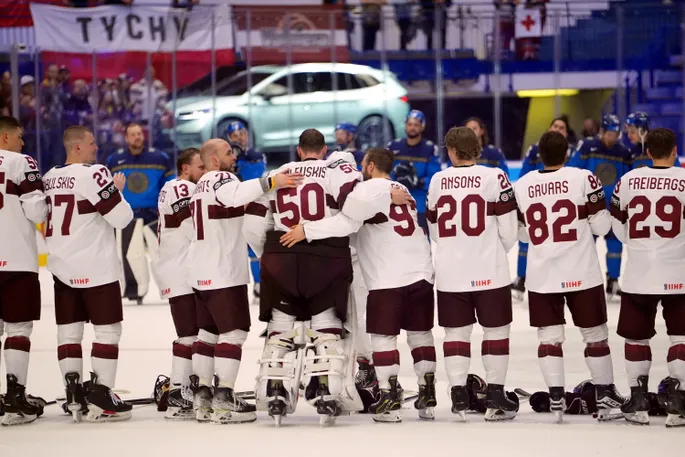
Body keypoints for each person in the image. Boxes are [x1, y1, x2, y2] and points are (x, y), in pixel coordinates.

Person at [279, 147, 437, 423]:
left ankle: (388, 398)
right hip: (421, 269)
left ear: (371, 165)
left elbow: (346, 222)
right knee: (420, 335)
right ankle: (428, 393)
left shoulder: (366, 190)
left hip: (387, 274)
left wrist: (307, 230)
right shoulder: (403, 190)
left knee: (382, 338)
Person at [242, 129, 365, 426]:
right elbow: (354, 214)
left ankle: (274, 391)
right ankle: (326, 390)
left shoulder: (279, 172)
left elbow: (253, 221)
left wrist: (269, 252)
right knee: (326, 331)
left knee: (280, 332)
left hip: (280, 257)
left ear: (299, 150)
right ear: (323, 150)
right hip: (326, 258)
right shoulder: (334, 170)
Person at [185, 139, 300, 424]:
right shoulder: (222, 178)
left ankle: (202, 397)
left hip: (199, 270)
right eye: (227, 153)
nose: (233, 157)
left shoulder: (199, 186)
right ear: (213, 160)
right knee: (232, 335)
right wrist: (271, 181)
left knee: (207, 334)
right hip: (223, 270)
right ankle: (224, 398)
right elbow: (235, 195)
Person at [515, 130, 625, 423]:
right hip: (581, 270)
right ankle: (604, 393)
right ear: (567, 153)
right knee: (595, 337)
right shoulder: (583, 177)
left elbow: (522, 234)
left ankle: (555, 397)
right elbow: (601, 227)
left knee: (549, 338)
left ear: (539, 153)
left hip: (542, 275)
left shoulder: (523, 184)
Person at [426, 127, 518, 421]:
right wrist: (489, 248)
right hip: (490, 269)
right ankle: (494, 395)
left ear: (451, 151)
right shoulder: (495, 177)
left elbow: (435, 232)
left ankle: (458, 394)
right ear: (478, 148)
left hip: (452, 270)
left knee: (455, 334)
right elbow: (509, 231)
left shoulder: (438, 180)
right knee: (496, 332)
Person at [43, 125, 134, 423]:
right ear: (77, 147)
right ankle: (101, 395)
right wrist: (117, 193)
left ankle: (73, 393)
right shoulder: (95, 173)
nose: (96, 147)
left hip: (61, 266)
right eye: (92, 143)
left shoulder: (48, 178)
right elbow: (121, 218)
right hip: (96, 265)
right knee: (107, 331)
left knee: (69, 331)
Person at [609, 127, 685, 427]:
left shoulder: (628, 180)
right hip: (677, 270)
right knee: (680, 336)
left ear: (648, 151)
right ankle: (678, 404)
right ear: (675, 150)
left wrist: (635, 243)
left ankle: (638, 401)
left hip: (639, 271)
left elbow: (616, 222)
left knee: (636, 337)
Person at [0, 116, 47, 426]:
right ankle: (15, 398)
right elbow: (36, 209)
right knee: (18, 329)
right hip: (15, 258)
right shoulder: (21, 162)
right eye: (19, 137)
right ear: (5, 138)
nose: (23, 143)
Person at [152, 147, 205, 420]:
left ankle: (183, 387)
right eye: (200, 167)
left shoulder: (172, 187)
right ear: (185, 168)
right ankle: (177, 393)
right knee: (189, 334)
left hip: (177, 269)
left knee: (191, 333)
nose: (203, 172)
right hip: (181, 271)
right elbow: (193, 229)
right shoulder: (182, 188)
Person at [106, 122, 174, 304]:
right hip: (128, 216)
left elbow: (169, 186)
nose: (137, 137)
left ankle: (173, 288)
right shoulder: (114, 160)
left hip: (154, 215)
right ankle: (134, 291)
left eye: (139, 134)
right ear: (126, 138)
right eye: (133, 134)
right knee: (130, 255)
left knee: (162, 255)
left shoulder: (160, 158)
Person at [568, 114, 632, 300]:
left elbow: (626, 180)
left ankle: (613, 281)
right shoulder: (587, 146)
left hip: (612, 207)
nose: (613, 137)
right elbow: (573, 170)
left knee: (615, 245)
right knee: (586, 246)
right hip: (590, 208)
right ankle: (583, 281)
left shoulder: (623, 152)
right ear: (602, 131)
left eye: (616, 134)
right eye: (609, 133)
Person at [511, 117, 570, 299]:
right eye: (555, 126)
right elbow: (523, 176)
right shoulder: (535, 150)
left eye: (562, 128)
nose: (558, 129)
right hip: (537, 203)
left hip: (560, 207)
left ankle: (561, 279)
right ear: (549, 127)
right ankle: (522, 277)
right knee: (526, 241)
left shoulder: (571, 152)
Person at [226, 121, 266, 302]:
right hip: (231, 208)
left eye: (241, 133)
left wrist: (241, 161)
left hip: (251, 206)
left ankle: (259, 284)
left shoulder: (255, 155)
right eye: (235, 136)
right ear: (229, 139)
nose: (239, 138)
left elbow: (254, 178)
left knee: (255, 248)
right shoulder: (225, 158)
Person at [388, 110, 442, 232]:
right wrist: (394, 179)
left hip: (420, 203)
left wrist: (419, 181)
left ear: (422, 127)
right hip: (396, 201)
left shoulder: (430, 148)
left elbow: (435, 177)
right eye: (410, 124)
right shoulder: (394, 146)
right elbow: (384, 172)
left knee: (422, 239)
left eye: (416, 125)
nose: (412, 128)